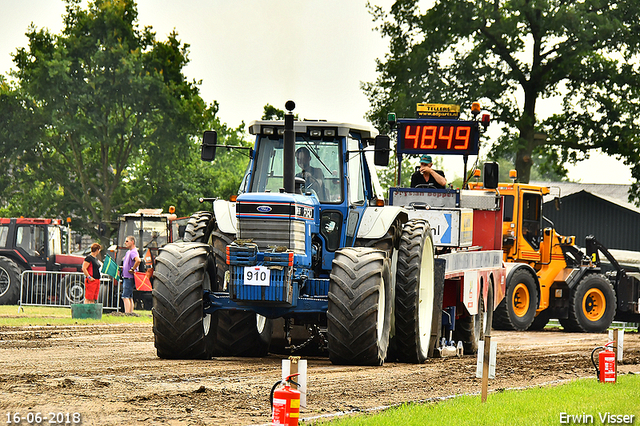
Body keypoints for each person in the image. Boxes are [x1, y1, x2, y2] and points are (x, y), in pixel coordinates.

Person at [122, 235, 141, 314]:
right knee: (129, 296)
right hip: (127, 276)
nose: (125, 243)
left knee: (125, 296)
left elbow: (138, 260)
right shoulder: (128, 252)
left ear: (132, 242)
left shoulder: (133, 251)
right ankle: (130, 312)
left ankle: (127, 313)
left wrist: (133, 269)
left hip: (129, 277)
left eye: (127, 241)